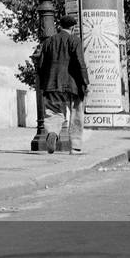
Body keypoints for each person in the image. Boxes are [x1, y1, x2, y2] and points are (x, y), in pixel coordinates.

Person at [36, 14, 89, 154]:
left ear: (60, 26)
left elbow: (40, 66)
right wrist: (85, 82)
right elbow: (80, 62)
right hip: (73, 85)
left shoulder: (48, 42)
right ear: (73, 27)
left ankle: (52, 133)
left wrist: (44, 84)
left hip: (52, 84)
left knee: (54, 112)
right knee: (76, 114)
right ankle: (75, 147)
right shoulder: (75, 40)